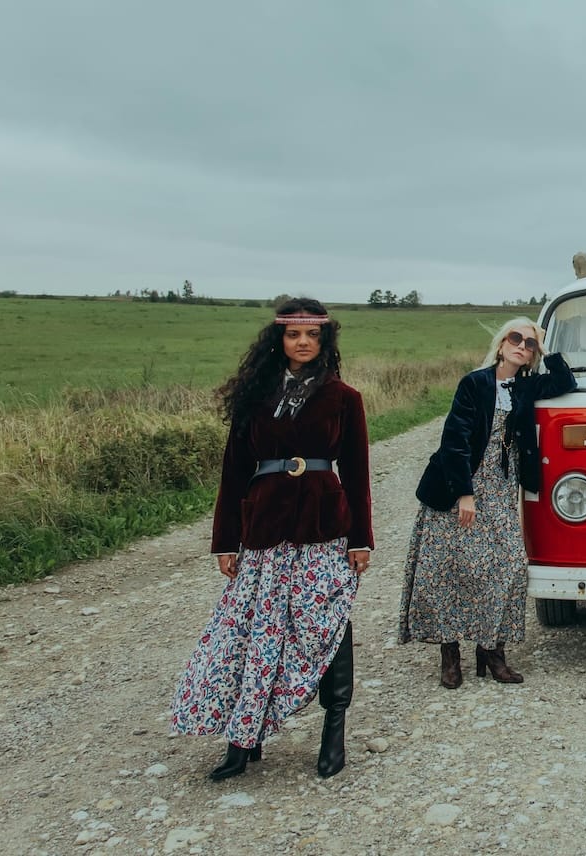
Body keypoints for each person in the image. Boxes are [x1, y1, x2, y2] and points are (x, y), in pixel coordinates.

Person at [171, 297, 374, 781]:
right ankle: (244, 739)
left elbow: (359, 473)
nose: (302, 343)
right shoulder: (256, 397)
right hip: (265, 527)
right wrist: (225, 541)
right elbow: (234, 472)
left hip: (324, 527)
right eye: (293, 335)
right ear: (278, 340)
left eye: (312, 336)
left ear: (324, 341)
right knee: (253, 632)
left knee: (323, 623)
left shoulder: (344, 398)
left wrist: (360, 539)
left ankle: (334, 726)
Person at [399, 318, 576, 687]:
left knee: (507, 564)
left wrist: (545, 347)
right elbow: (455, 440)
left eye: (528, 344)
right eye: (516, 338)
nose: (521, 346)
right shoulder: (474, 383)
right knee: (448, 568)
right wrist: (465, 493)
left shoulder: (527, 385)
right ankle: (450, 655)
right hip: (457, 484)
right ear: (500, 344)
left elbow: (566, 382)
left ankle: (491, 652)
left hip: (501, 487)